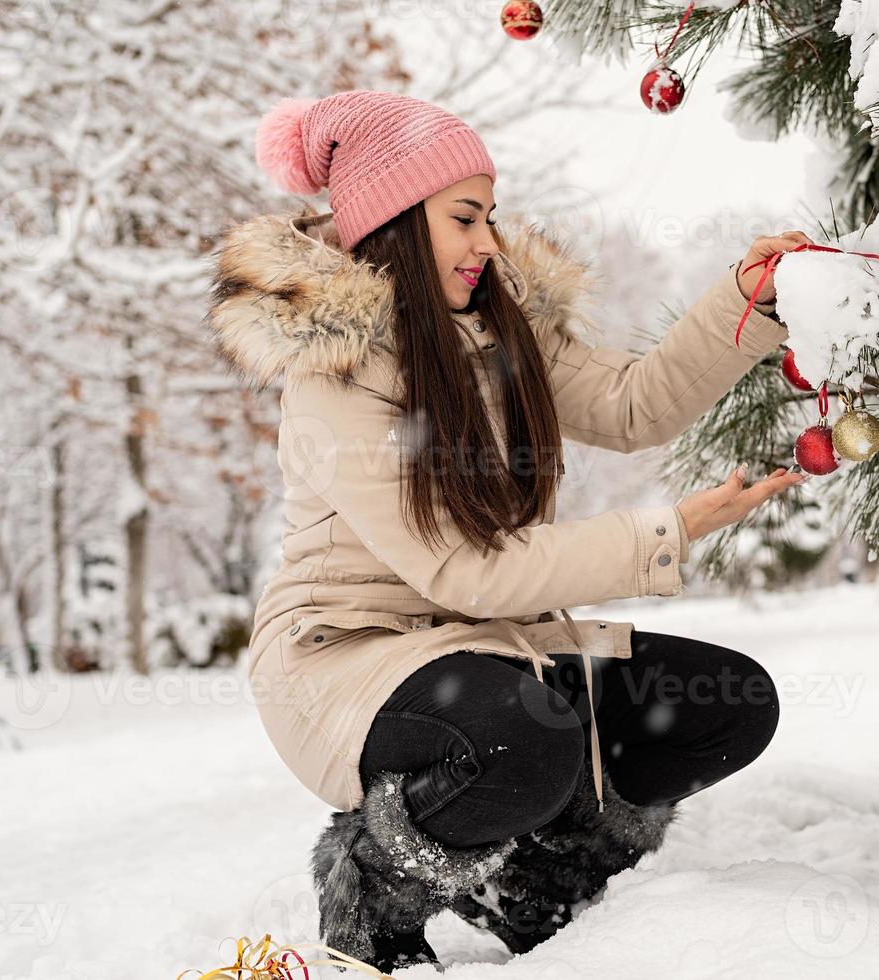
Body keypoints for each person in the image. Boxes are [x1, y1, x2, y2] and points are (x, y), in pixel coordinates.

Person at [204, 89, 811, 971]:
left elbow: (631, 404)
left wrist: (746, 302)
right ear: (397, 222)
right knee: (521, 737)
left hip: (487, 642)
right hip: (349, 657)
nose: (486, 240)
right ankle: (373, 890)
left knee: (725, 703)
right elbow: (465, 572)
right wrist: (665, 531)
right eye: (463, 217)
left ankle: (534, 887)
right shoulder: (335, 372)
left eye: (489, 215)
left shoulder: (497, 329)